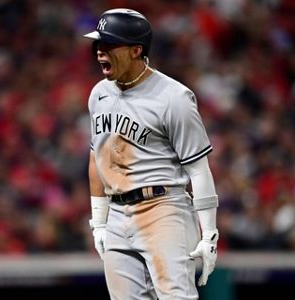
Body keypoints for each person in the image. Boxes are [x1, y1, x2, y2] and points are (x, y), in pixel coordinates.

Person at [84, 8, 219, 300]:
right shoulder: (99, 94)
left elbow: (199, 168)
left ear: (136, 50)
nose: (99, 52)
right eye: (98, 45)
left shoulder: (174, 98)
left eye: (108, 45)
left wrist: (209, 234)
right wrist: (99, 222)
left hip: (163, 210)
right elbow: (97, 160)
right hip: (118, 214)